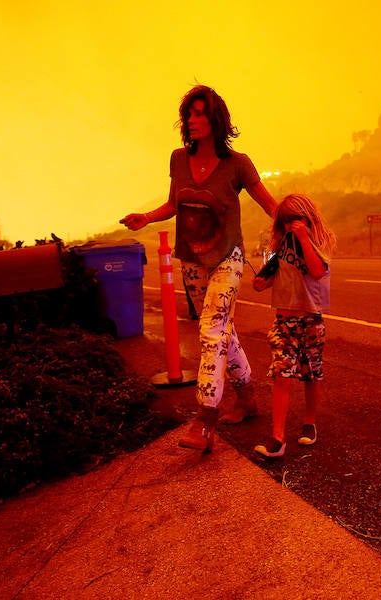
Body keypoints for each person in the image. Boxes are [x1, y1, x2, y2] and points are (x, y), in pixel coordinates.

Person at [120, 84, 277, 452]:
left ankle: (204, 420)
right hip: (192, 260)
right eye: (189, 114)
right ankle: (248, 397)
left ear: (216, 119)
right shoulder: (178, 159)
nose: (192, 120)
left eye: (200, 113)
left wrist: (298, 225)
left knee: (211, 329)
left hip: (228, 258)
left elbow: (271, 205)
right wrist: (146, 217)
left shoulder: (238, 164)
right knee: (223, 332)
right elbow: (174, 203)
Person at [251, 193, 336, 458]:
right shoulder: (279, 249)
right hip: (283, 321)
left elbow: (317, 271)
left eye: (296, 218)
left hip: (311, 319)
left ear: (308, 217)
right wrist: (260, 281)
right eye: (286, 220)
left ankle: (309, 421)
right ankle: (277, 438)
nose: (291, 225)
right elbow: (266, 278)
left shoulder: (319, 243)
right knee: (281, 375)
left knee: (311, 374)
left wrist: (303, 238)